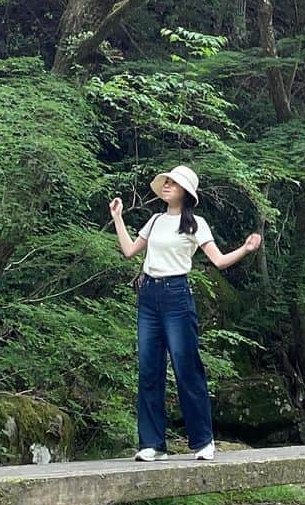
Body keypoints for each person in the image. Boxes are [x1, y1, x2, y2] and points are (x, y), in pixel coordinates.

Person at [109, 164, 262, 462]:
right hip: (149, 296)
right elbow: (129, 251)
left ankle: (203, 441)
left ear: (185, 193)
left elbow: (218, 260)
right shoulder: (154, 221)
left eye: (173, 183)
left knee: (186, 367)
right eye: (166, 182)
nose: (166, 185)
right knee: (149, 369)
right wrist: (118, 217)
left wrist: (245, 249)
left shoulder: (195, 224)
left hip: (177, 296)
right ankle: (152, 444)